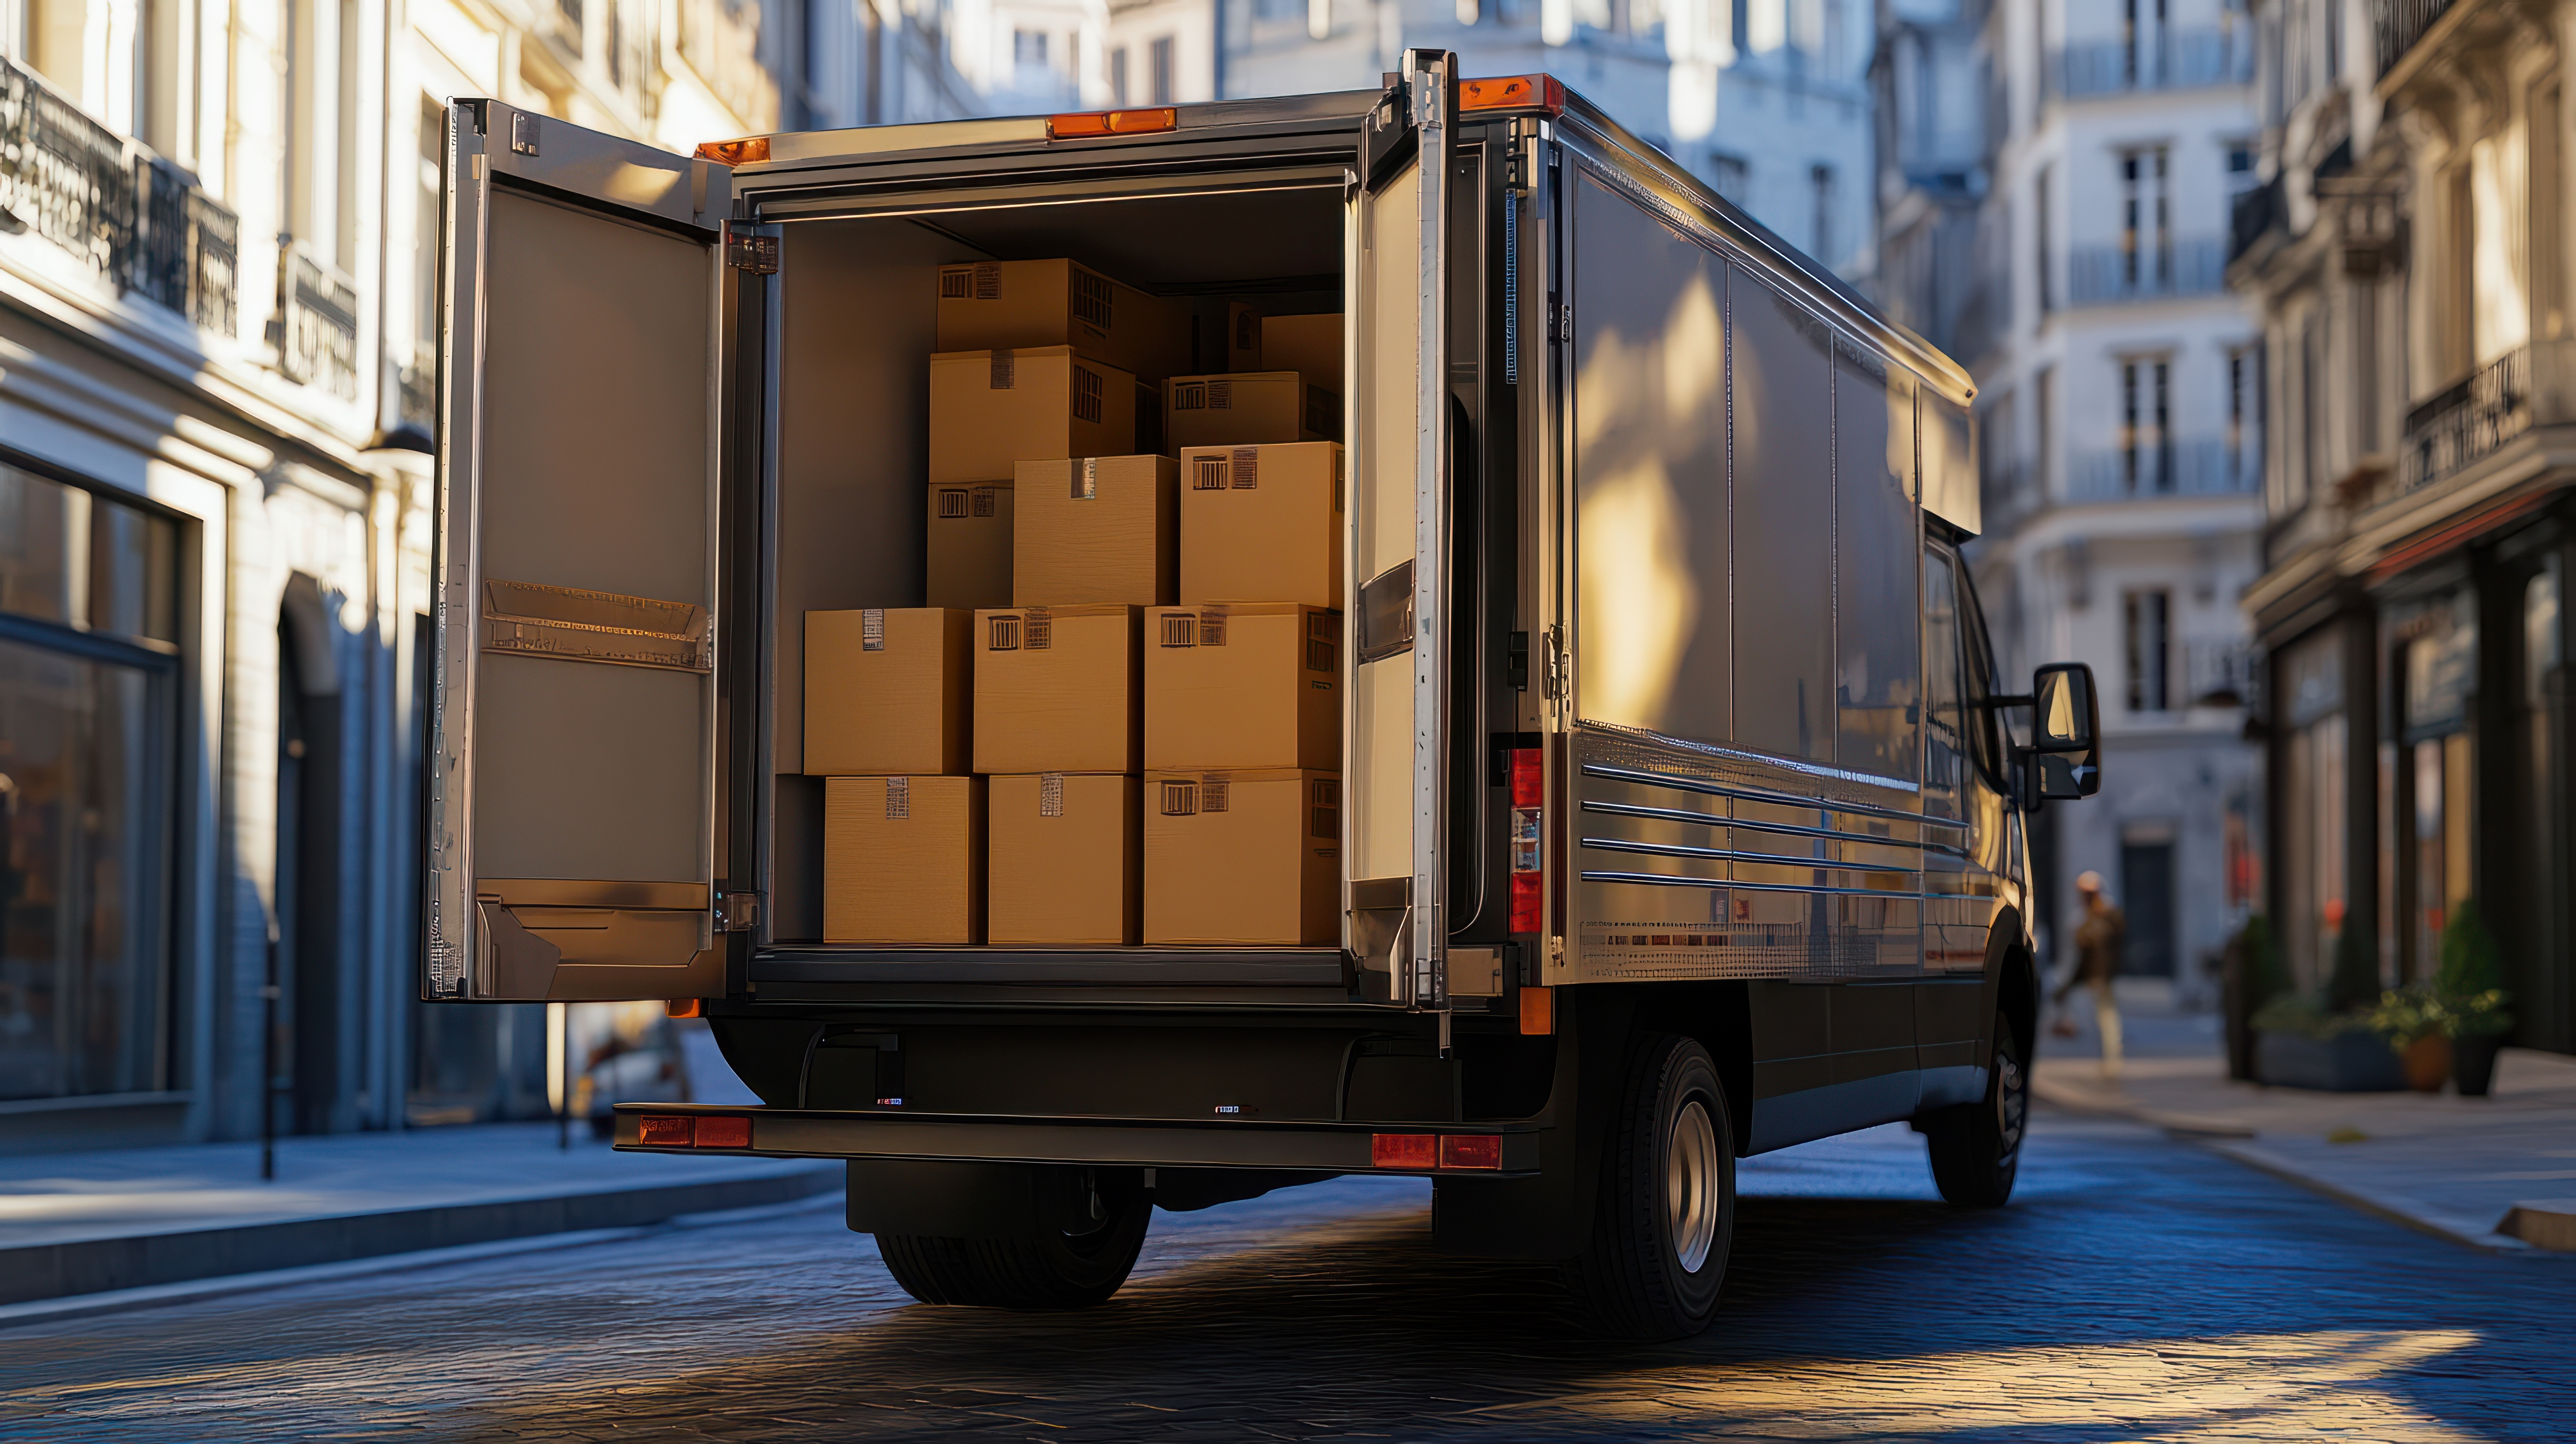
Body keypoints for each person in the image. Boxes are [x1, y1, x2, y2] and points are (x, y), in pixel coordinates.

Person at [2051, 871, 2128, 1078]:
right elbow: (2077, 955)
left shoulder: (2109, 915)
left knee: (2107, 1018)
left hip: (2103, 977)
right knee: (2091, 1018)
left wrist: (2103, 976)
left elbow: (2111, 951)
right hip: (2087, 975)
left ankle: (2112, 1061)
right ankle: (2105, 1060)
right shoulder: (2080, 919)